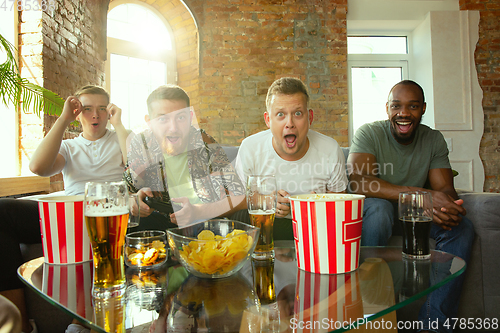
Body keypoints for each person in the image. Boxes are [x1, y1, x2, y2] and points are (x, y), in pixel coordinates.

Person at [347, 80, 474, 333]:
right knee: (379, 210)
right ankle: (372, 319)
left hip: (417, 215)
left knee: (462, 228)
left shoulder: (433, 139)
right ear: (387, 109)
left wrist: (446, 206)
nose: (403, 113)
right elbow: (359, 182)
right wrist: (424, 196)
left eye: (412, 106)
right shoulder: (369, 133)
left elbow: (445, 188)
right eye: (397, 106)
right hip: (381, 210)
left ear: (423, 109)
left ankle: (432, 325)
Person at [0, 86, 126, 333]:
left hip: (109, 212)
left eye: (103, 109)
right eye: (87, 109)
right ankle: (19, 324)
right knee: (2, 211)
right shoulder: (69, 147)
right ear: (77, 113)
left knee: (98, 228)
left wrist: (120, 126)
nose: (95, 116)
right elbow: (38, 166)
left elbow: (136, 166)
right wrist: (63, 118)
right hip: (71, 216)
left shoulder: (121, 138)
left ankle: (81, 321)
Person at [234, 77, 348, 239]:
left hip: (313, 230)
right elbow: (235, 201)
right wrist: (266, 201)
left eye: (298, 113)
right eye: (280, 114)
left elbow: (342, 211)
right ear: (268, 120)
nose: (290, 123)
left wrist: (320, 207)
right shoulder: (250, 147)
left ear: (310, 117)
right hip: (264, 230)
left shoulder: (330, 149)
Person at [124, 84, 246, 230]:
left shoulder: (204, 142)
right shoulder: (141, 144)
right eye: (163, 119)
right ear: (149, 122)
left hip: (202, 222)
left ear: (190, 117)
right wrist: (134, 201)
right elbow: (125, 192)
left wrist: (197, 211)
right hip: (158, 223)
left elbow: (240, 198)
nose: (173, 128)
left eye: (180, 117)